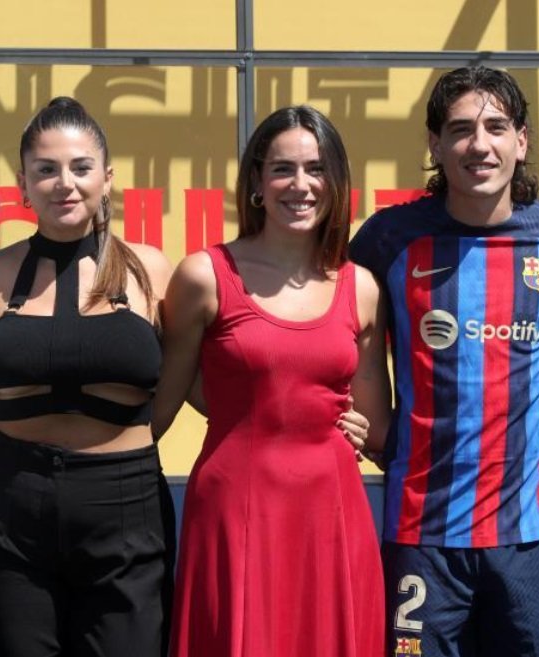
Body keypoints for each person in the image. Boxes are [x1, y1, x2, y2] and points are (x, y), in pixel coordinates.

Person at [349, 66, 539, 657]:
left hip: (530, 536)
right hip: (422, 533)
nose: (479, 145)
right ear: (434, 145)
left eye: (496, 127)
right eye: (459, 130)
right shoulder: (389, 238)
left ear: (521, 141)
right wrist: (360, 421)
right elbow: (341, 333)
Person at [153, 105, 389, 657]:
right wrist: (250, 408)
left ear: (336, 182)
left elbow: (376, 427)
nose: (300, 185)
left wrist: (350, 424)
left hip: (332, 517)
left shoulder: (363, 288)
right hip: (234, 512)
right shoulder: (203, 276)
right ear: (257, 181)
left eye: (316, 168)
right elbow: (163, 402)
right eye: (283, 169)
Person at [0, 97, 174, 656]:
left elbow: (206, 382)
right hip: (13, 505)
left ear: (107, 178)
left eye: (80, 167)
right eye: (45, 170)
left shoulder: (151, 269)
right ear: (23, 184)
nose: (64, 183)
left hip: (126, 505)